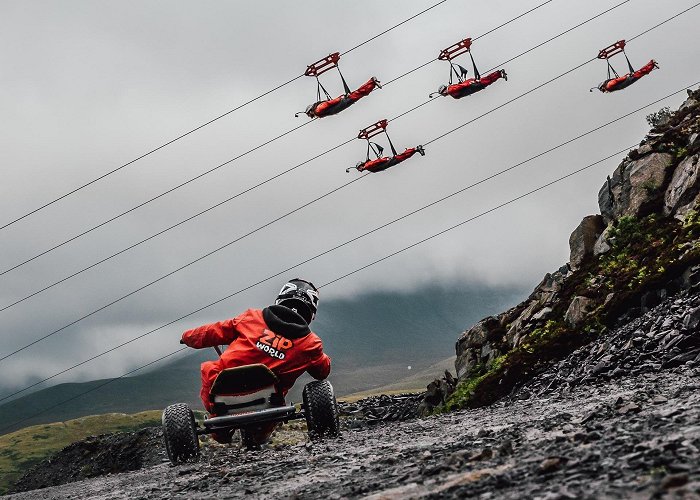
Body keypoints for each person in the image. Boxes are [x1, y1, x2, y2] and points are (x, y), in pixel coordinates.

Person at [180, 278, 330, 445]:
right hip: (269, 405)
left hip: (225, 395)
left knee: (209, 370)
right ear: (311, 312)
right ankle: (258, 438)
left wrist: (187, 337)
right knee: (261, 435)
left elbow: (214, 331)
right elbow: (322, 372)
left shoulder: (251, 317)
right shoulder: (310, 344)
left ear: (281, 299)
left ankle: (220, 428)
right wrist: (319, 357)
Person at [301, 77, 381, 118]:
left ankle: (372, 81)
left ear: (311, 110)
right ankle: (372, 83)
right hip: (343, 103)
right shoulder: (318, 112)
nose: (310, 116)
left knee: (360, 93)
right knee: (360, 93)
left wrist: (340, 98)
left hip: (343, 102)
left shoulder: (318, 110)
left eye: (309, 114)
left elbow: (329, 103)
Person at [434, 69, 507, 99]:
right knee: (487, 80)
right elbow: (460, 88)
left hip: (472, 86)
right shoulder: (451, 92)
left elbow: (460, 86)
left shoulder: (450, 90)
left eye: (443, 94)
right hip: (472, 86)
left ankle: (499, 74)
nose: (444, 95)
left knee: (487, 81)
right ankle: (499, 74)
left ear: (443, 91)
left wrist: (470, 83)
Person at [347, 145, 425, 173]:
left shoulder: (367, 166)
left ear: (361, 165)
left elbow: (377, 162)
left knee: (402, 156)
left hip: (389, 162)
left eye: (359, 168)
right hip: (389, 163)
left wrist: (386, 159)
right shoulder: (368, 167)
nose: (359, 170)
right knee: (403, 157)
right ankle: (416, 150)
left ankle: (415, 149)